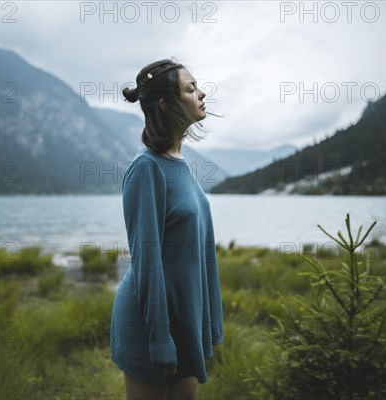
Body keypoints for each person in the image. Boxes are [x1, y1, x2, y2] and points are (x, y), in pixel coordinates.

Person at [110, 58, 224, 400]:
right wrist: (159, 338)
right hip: (151, 325)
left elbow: (200, 253)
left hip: (185, 322)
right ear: (166, 104)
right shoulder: (146, 169)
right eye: (190, 89)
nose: (202, 93)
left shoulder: (179, 163)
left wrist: (209, 322)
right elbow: (146, 261)